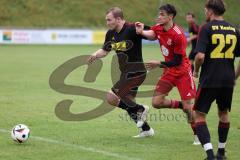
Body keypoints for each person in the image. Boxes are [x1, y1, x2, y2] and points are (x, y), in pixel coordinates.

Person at [135, 4, 200, 145]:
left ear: (170, 17)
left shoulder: (178, 35)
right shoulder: (159, 27)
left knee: (189, 108)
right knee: (156, 102)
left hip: (182, 72)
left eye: (162, 14)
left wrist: (158, 63)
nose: (159, 16)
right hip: (169, 71)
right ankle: (182, 105)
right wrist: (141, 31)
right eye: (159, 14)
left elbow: (177, 60)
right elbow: (152, 35)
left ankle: (198, 135)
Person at [87, 7, 154, 138]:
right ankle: (146, 130)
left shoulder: (132, 28)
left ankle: (140, 109)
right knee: (128, 101)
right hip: (125, 72)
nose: (107, 23)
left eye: (109, 20)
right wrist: (95, 54)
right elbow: (105, 51)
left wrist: (144, 32)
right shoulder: (110, 34)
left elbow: (153, 34)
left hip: (136, 71)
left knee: (111, 97)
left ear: (118, 19)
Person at [193, 0, 240, 159]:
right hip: (227, 79)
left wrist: (195, 71)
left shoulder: (206, 28)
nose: (205, 12)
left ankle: (210, 155)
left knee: (198, 115)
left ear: (210, 11)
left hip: (210, 78)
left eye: (205, 10)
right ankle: (221, 152)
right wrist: (234, 76)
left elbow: (199, 56)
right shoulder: (234, 29)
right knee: (223, 113)